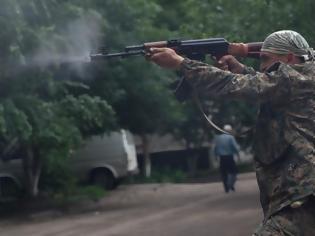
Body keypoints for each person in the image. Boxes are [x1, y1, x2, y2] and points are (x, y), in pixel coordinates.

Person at [148, 30, 315, 235]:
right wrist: (242, 68)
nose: (262, 66)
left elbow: (234, 85)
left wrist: (181, 63)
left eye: (265, 59)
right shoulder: (303, 75)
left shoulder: (292, 78)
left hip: (303, 197)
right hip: (301, 196)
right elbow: (267, 85)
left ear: (289, 58)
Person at [213, 124, 240, 193]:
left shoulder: (218, 138)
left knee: (224, 173)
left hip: (222, 158)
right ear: (229, 131)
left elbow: (215, 148)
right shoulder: (230, 137)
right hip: (229, 157)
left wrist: (215, 157)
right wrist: (238, 155)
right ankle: (230, 185)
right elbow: (235, 147)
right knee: (233, 172)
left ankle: (226, 188)